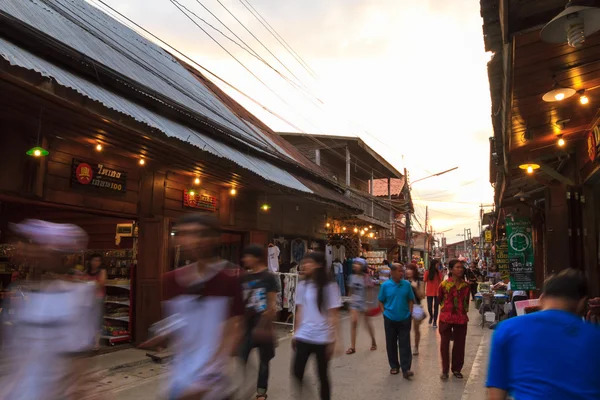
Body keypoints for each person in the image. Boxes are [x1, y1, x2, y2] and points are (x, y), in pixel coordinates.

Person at [143, 214, 244, 400]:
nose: (194, 240)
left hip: (213, 382)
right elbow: (176, 322)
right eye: (186, 234)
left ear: (215, 238)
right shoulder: (171, 280)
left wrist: (209, 378)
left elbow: (233, 331)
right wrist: (161, 333)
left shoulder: (231, 278)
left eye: (200, 234)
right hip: (180, 378)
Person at [1, 220, 96, 399]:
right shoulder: (21, 290)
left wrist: (76, 387)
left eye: (34, 245)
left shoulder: (77, 295)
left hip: (50, 392)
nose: (24, 249)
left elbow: (77, 357)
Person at [487, 269, 600, 400]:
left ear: (542, 297)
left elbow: (496, 394)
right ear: (582, 302)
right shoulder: (594, 336)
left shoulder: (507, 329)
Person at [292, 252, 341, 400]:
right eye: (304, 262)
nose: (305, 265)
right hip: (304, 335)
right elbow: (300, 309)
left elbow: (334, 314)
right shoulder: (302, 285)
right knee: (296, 372)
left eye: (309, 262)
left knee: (322, 375)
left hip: (322, 338)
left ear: (319, 265)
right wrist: (295, 332)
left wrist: (334, 340)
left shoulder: (330, 286)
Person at [239, 244, 280, 400]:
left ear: (256, 258)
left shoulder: (269, 277)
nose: (244, 259)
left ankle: (261, 392)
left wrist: (265, 325)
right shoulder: (244, 277)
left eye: (247, 256)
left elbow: (272, 304)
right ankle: (245, 385)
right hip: (247, 325)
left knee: (264, 361)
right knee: (241, 357)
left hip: (262, 324)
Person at [378, 263, 415, 378]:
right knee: (391, 343)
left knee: (405, 344)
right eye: (399, 271)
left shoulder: (406, 285)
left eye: (402, 271)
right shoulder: (385, 286)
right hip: (390, 318)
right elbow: (381, 301)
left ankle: (406, 369)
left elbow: (410, 300)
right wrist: (384, 313)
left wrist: (409, 313)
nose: (402, 273)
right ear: (392, 272)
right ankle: (394, 366)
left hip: (404, 318)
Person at [438, 259, 470, 380]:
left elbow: (466, 302)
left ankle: (456, 369)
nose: (460, 269)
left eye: (461, 267)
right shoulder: (444, 285)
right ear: (451, 270)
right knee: (444, 345)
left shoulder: (466, 285)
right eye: (457, 267)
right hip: (446, 318)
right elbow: (440, 299)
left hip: (461, 318)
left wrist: (462, 311)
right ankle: (445, 370)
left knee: (460, 344)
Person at [345, 258, 377, 355]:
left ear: (362, 266)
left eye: (358, 264)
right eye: (354, 264)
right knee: (354, 322)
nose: (355, 265)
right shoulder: (351, 277)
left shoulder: (366, 277)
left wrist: (368, 304)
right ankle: (353, 347)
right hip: (354, 302)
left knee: (367, 324)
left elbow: (369, 291)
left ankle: (373, 341)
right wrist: (348, 300)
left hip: (364, 303)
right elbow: (350, 290)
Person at [86, 253, 107, 350]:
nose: (95, 262)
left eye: (98, 260)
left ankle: (96, 343)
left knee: (97, 320)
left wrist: (89, 283)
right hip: (87, 299)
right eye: (94, 260)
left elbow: (101, 283)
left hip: (97, 298)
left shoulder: (102, 271)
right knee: (88, 319)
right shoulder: (86, 272)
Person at [405, 263, 425, 355]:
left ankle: (416, 346)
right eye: (407, 269)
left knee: (416, 329)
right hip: (405, 307)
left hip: (416, 307)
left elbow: (422, 296)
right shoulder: (403, 282)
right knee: (405, 328)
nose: (408, 271)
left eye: (410, 269)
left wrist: (415, 288)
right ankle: (405, 345)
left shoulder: (419, 282)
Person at [424, 259, 443, 328]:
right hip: (429, 292)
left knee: (436, 307)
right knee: (429, 307)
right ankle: (431, 316)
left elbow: (441, 282)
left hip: (437, 293)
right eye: (437, 264)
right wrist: (423, 291)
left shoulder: (438, 272)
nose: (438, 266)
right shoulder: (427, 272)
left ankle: (435, 321)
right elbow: (424, 282)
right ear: (434, 264)